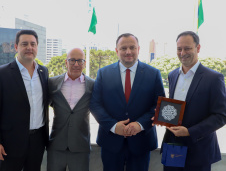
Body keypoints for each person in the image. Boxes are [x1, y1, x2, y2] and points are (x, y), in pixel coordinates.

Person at [90, 33, 165, 171]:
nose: (128, 51)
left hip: (141, 141)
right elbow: (95, 104)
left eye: (132, 47)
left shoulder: (153, 74)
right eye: (123, 48)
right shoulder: (103, 73)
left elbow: (159, 105)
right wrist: (113, 126)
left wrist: (140, 124)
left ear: (139, 49)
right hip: (111, 141)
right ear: (116, 51)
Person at [161, 31, 226, 171]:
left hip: (199, 149)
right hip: (172, 146)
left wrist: (190, 131)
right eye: (179, 49)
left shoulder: (214, 78)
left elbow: (221, 116)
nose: (182, 52)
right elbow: (174, 108)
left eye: (187, 48)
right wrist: (163, 116)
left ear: (198, 48)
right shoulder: (172, 75)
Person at [0, 30, 49, 171]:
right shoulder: (2, 74)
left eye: (33, 44)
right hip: (10, 142)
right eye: (24, 44)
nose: (29, 47)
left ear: (37, 47)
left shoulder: (43, 72)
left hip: (38, 140)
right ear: (16, 47)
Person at [47, 48, 95, 171]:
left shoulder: (93, 85)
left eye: (80, 61)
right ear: (66, 62)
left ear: (84, 63)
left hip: (81, 146)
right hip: (56, 145)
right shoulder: (52, 83)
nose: (76, 64)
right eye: (72, 60)